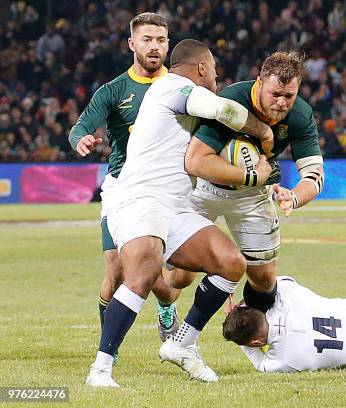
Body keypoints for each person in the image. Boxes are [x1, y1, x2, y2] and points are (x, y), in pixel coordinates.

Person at [85, 38, 274, 387]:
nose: (217, 77)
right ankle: (101, 368)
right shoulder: (173, 87)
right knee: (141, 273)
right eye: (214, 70)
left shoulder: (176, 94)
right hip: (140, 199)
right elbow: (226, 111)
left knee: (230, 261)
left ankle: (182, 344)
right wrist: (262, 130)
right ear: (201, 67)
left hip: (173, 206)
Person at [167, 51, 324, 317]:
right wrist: (253, 175)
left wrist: (293, 197)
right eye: (276, 94)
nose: (282, 103)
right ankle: (165, 303)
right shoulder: (231, 101)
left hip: (252, 198)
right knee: (181, 277)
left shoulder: (300, 114)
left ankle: (249, 334)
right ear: (259, 83)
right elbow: (195, 161)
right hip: (205, 189)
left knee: (264, 279)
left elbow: (314, 175)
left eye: (289, 96)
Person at [68, 12, 181, 345]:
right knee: (116, 267)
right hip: (123, 187)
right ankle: (108, 350)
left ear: (168, 44)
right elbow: (80, 128)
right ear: (132, 44)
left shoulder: (181, 87)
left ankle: (166, 305)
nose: (154, 46)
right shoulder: (114, 91)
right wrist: (82, 140)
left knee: (155, 277)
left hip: (167, 188)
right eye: (147, 39)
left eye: (161, 40)